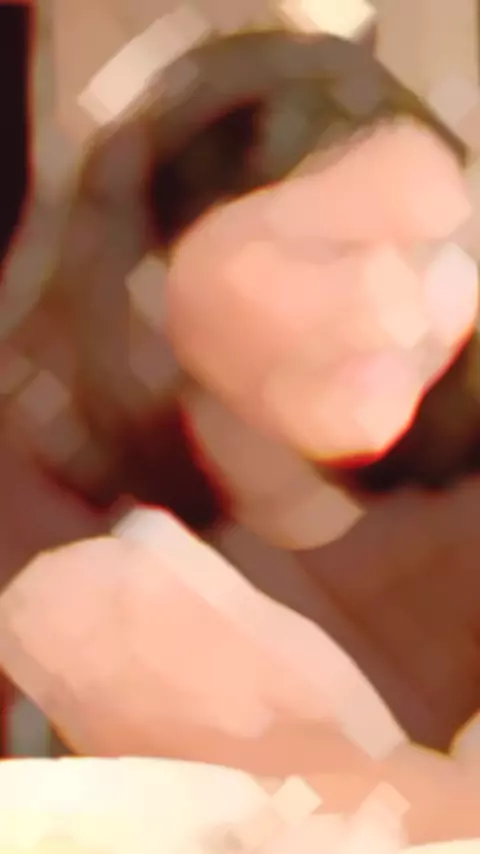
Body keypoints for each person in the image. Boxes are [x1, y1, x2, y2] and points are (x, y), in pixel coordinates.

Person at [1, 110, 480, 849]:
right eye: (325, 252)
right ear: (150, 259)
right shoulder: (31, 501)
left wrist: (329, 771)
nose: (395, 317)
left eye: (439, 250)